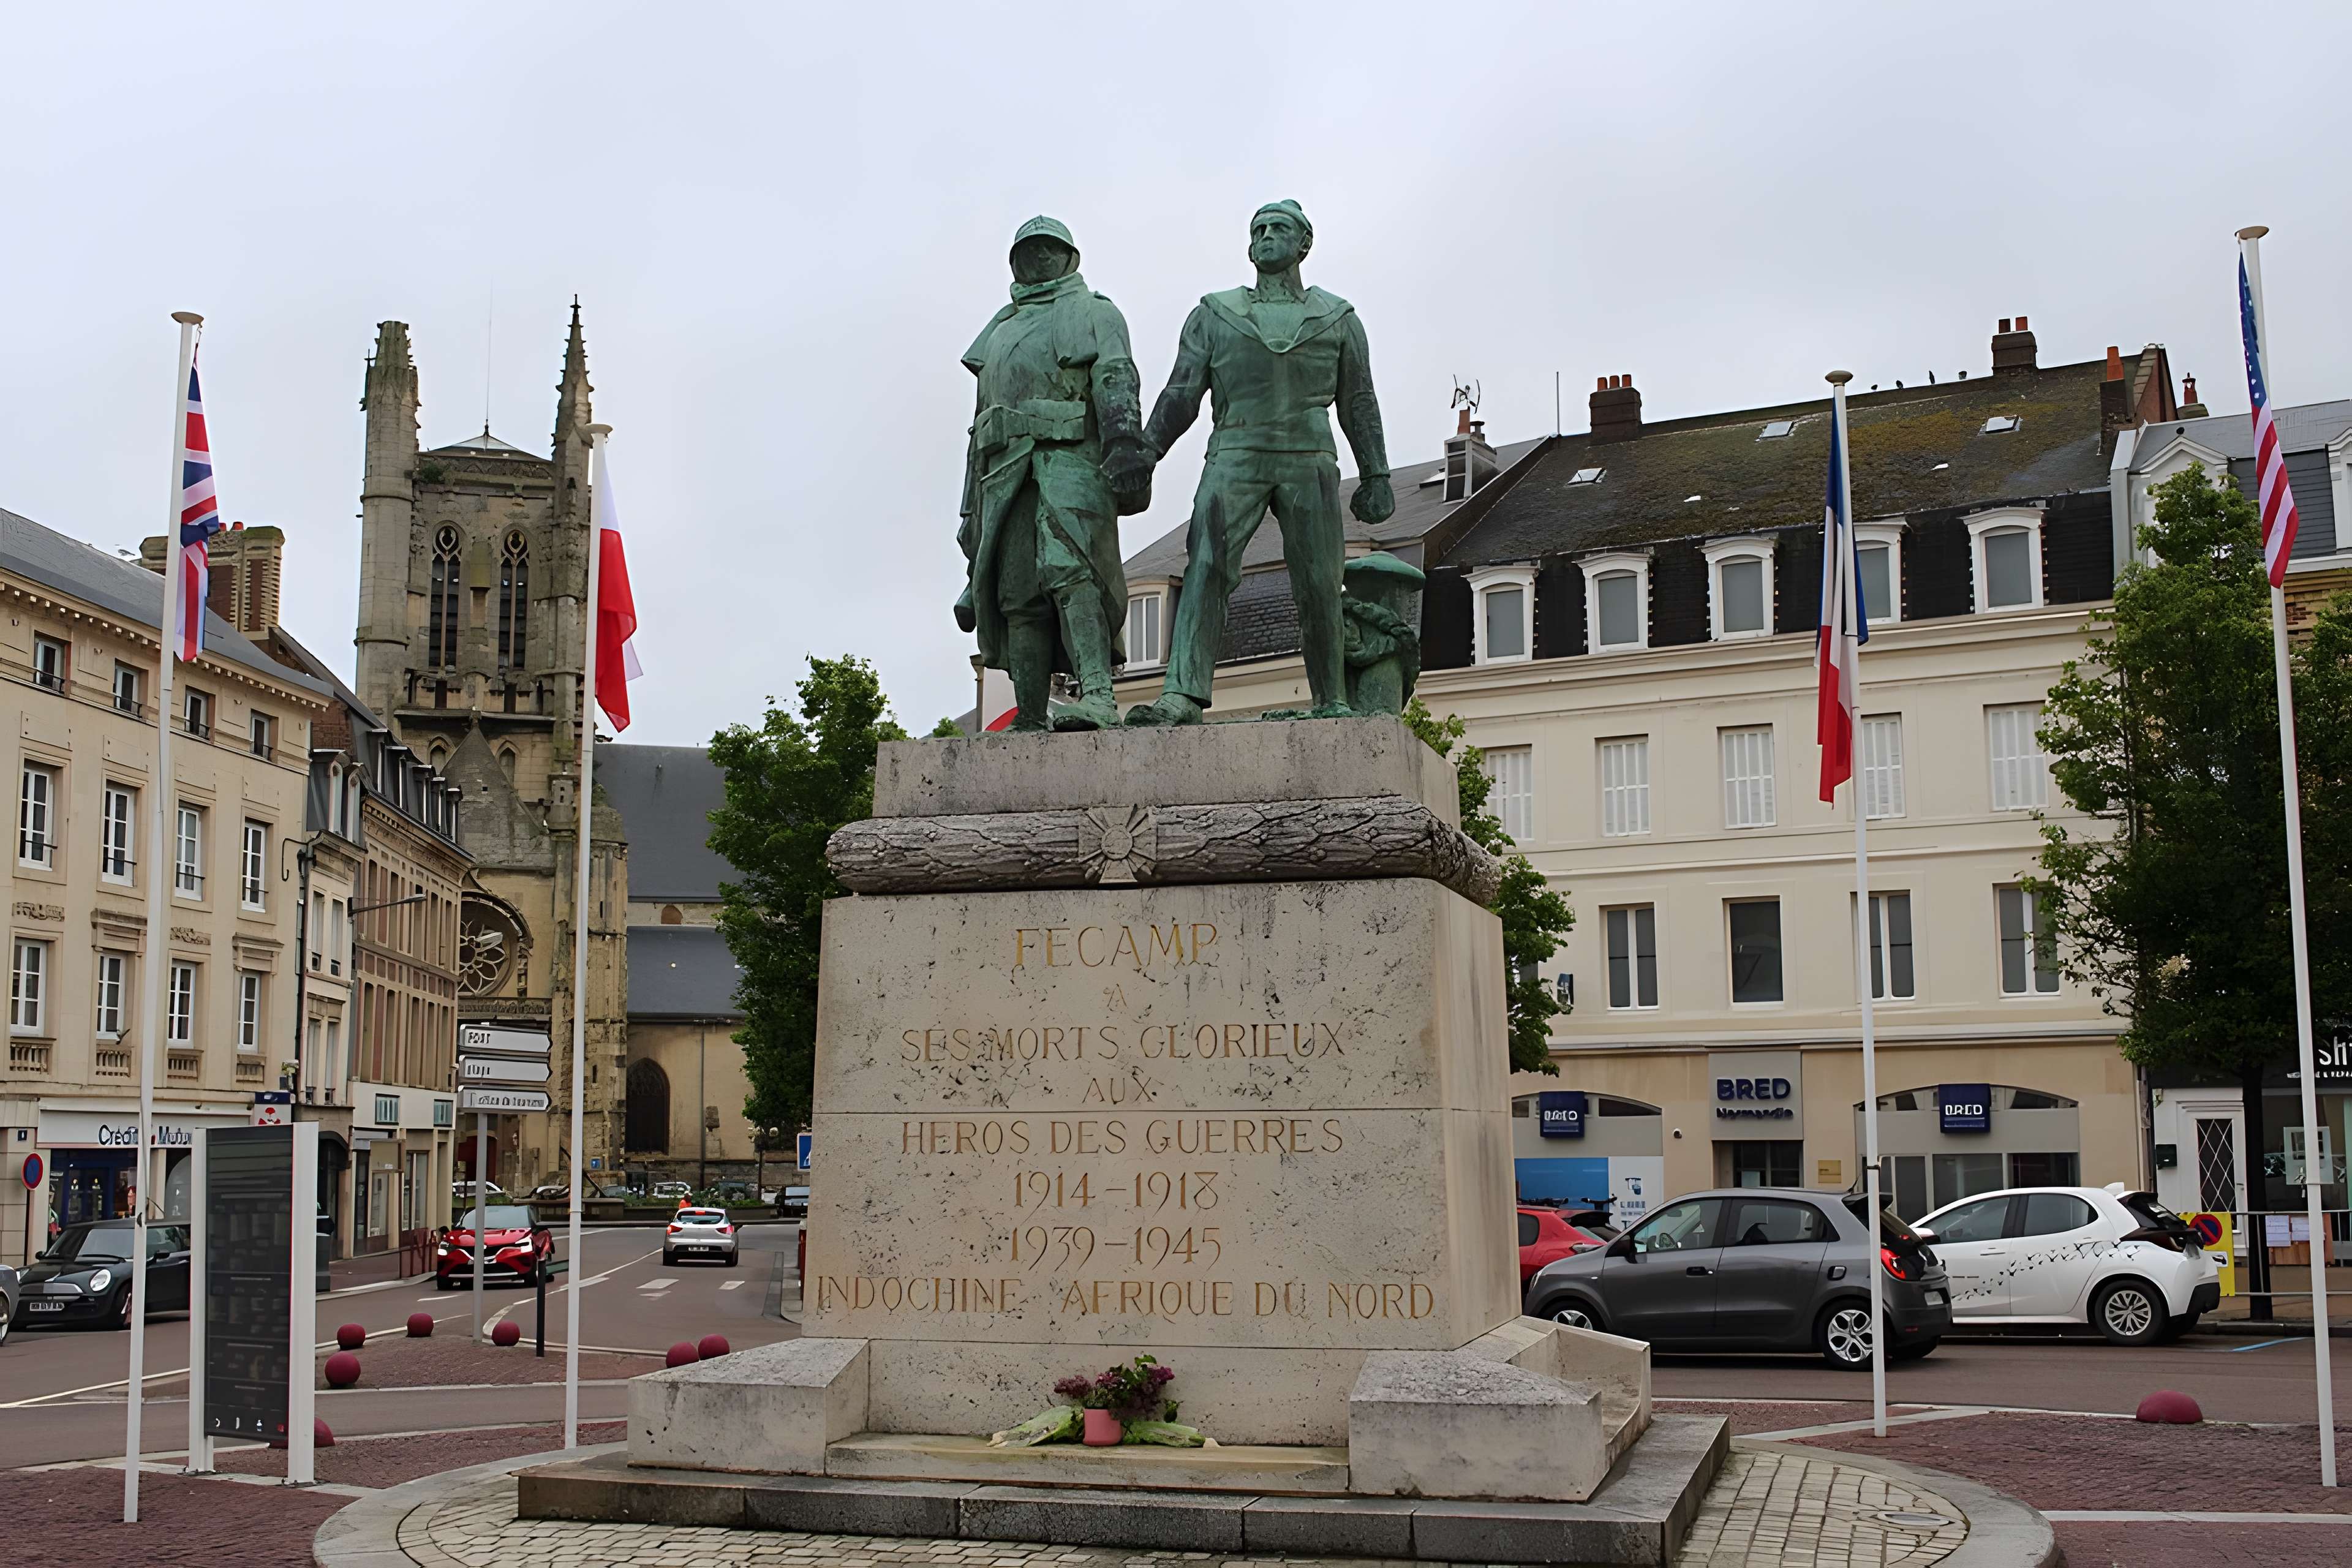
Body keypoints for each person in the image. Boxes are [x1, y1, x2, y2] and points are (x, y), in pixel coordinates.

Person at [1125, 200, 1393, 725]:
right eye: (1259, 230)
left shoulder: (1338, 318)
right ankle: (1182, 695)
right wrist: (1147, 453)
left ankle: (1331, 698)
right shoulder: (1215, 313)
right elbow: (1181, 394)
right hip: (1235, 452)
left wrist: (1378, 474)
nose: (1267, 236)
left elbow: (1359, 401)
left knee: (1320, 578)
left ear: (1303, 244)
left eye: (1279, 229)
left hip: (1309, 456)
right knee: (1205, 564)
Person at [956, 216, 1152, 731]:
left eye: (1049, 251)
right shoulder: (999, 330)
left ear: (1068, 257)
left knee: (1071, 567)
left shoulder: (1093, 311)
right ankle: (1031, 714)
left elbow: (1115, 374)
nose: (1039, 261)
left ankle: (1100, 697)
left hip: (1069, 459)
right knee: (1016, 593)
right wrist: (969, 511)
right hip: (1002, 470)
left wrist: (1126, 444)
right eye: (1029, 252)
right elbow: (978, 426)